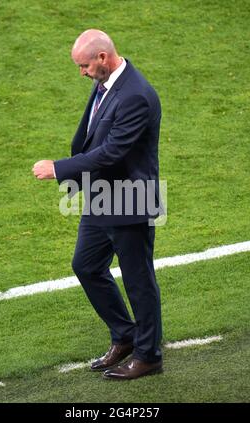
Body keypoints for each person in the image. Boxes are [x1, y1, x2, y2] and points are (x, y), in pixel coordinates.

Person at [32, 29, 163, 380]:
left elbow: (111, 151)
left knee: (138, 280)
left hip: (129, 199)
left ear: (103, 58)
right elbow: (92, 137)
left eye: (85, 66)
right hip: (101, 196)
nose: (82, 73)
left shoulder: (136, 95)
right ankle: (125, 335)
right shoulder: (106, 83)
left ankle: (149, 355)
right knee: (86, 265)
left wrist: (58, 169)